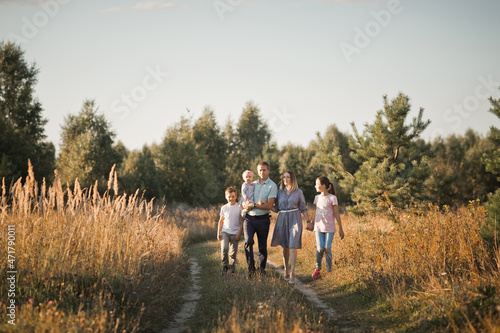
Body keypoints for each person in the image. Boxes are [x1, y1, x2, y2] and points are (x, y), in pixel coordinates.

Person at [270, 170, 309, 285]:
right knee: (285, 246)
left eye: (288, 177)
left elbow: (303, 207)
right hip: (282, 219)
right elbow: (276, 208)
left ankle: (292, 273)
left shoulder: (298, 192)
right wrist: (265, 206)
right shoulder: (279, 192)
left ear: (292, 179)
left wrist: (308, 221)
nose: (285, 179)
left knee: (293, 245)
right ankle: (286, 269)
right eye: (284, 177)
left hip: (294, 219)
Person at [242, 161, 277, 277]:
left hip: (263, 219)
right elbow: (245, 200)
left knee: (262, 246)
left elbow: (269, 205)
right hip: (249, 218)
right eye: (260, 170)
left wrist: (255, 205)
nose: (262, 172)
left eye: (264, 170)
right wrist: (246, 205)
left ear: (268, 170)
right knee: (248, 242)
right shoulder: (252, 183)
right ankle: (251, 270)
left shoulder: (272, 185)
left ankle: (261, 270)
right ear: (257, 171)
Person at [311, 176, 344, 280]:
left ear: (323, 186)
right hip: (318, 228)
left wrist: (341, 229)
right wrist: (312, 223)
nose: (315, 186)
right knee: (320, 249)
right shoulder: (317, 198)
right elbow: (316, 212)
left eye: (317, 184)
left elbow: (337, 214)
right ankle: (318, 267)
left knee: (327, 248)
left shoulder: (332, 198)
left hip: (329, 228)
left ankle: (329, 270)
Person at [217, 187, 243, 275]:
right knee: (224, 248)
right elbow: (220, 221)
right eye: (229, 197)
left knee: (233, 253)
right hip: (225, 232)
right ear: (226, 197)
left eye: (233, 196)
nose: (231, 198)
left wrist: (239, 233)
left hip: (235, 233)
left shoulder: (239, 207)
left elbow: (243, 221)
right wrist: (218, 232)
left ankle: (231, 270)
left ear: (236, 196)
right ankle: (225, 267)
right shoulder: (224, 208)